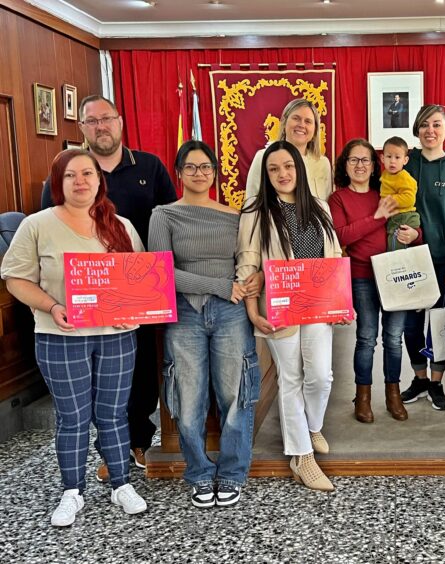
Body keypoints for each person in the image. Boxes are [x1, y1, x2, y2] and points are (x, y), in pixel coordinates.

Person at [2, 149, 148, 526]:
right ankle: (72, 491)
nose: (80, 181)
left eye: (88, 173)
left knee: (114, 414)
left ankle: (121, 483)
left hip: (116, 335)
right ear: (58, 183)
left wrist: (132, 309)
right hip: (60, 336)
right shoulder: (37, 225)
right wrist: (51, 305)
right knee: (72, 418)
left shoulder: (121, 225)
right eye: (70, 175)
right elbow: (15, 278)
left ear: (100, 181)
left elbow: (141, 280)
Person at [41, 95, 177, 481]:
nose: (100, 126)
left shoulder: (149, 166)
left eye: (106, 119)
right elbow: (46, 227)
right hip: (86, 295)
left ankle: (136, 440)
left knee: (142, 373)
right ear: (81, 129)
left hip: (141, 290)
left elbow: (171, 218)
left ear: (120, 122)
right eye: (91, 121)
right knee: (100, 383)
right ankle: (107, 452)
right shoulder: (67, 170)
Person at [148, 140, 261, 509]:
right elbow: (161, 273)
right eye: (191, 167)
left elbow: (246, 261)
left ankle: (231, 472)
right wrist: (220, 286)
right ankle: (198, 473)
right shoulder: (163, 215)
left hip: (231, 313)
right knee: (188, 399)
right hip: (185, 316)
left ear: (215, 172)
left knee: (235, 395)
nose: (200, 173)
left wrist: (253, 280)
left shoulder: (234, 215)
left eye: (206, 167)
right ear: (178, 173)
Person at [237, 140, 345, 491]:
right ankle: (301, 456)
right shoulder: (256, 210)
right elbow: (248, 262)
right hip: (278, 307)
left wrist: (342, 303)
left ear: (299, 168)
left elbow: (333, 259)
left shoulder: (319, 208)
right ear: (266, 175)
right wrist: (252, 311)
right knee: (291, 378)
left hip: (317, 305)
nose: (283, 174)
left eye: (288, 166)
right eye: (274, 169)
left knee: (321, 376)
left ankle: (312, 425)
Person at [328, 138, 422, 423]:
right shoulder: (339, 198)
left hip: (395, 275)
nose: (360, 165)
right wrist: (377, 216)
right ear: (345, 164)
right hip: (362, 276)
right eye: (353, 160)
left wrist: (415, 235)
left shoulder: (387, 190)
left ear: (374, 166)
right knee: (367, 338)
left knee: (394, 339)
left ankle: (392, 394)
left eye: (365, 160)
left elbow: (411, 221)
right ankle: (363, 396)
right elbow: (342, 236)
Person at [400, 104, 445, 411]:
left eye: (437, 124)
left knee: (440, 324)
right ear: (417, 130)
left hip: (444, 261)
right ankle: (419, 378)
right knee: (411, 324)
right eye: (425, 124)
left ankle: (436, 382)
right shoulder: (406, 162)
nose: (430, 130)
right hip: (409, 260)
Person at [244, 99, 332, 202]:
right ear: (284, 123)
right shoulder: (263, 157)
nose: (302, 125)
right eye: (296, 118)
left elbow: (325, 208)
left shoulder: (322, 163)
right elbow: (252, 202)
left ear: (315, 129)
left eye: (308, 121)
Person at [380, 136, 420, 251]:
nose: (392, 161)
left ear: (405, 160)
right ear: (382, 158)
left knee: (395, 245)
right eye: (389, 156)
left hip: (404, 217)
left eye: (397, 157)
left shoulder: (404, 177)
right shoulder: (386, 174)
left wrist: (389, 200)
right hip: (395, 217)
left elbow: (409, 198)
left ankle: (396, 267)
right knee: (390, 241)